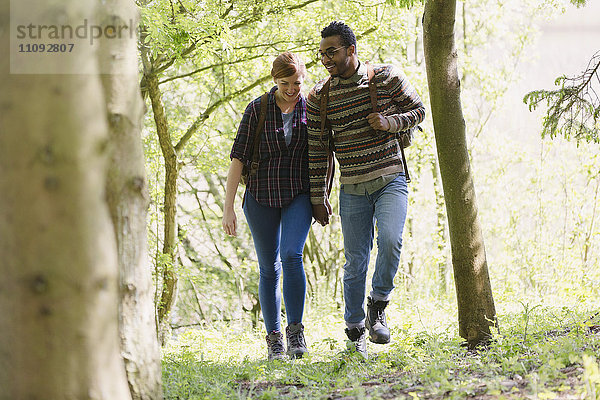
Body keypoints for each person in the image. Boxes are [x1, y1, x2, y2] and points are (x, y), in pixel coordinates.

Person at [307, 21, 426, 358]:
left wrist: (390, 122)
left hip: (391, 178)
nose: (326, 59)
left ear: (351, 50)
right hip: (352, 188)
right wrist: (319, 198)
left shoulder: (386, 77)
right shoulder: (320, 97)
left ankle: (378, 303)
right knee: (355, 261)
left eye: (332, 52)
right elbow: (318, 149)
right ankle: (356, 329)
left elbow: (419, 110)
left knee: (391, 240)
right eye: (322, 54)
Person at [222, 52, 311, 361]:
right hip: (260, 195)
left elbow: (324, 151)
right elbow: (238, 159)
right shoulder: (258, 109)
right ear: (275, 81)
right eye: (285, 83)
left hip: (298, 193)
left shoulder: (310, 106)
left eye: (297, 82)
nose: (291, 89)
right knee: (268, 268)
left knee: (291, 254)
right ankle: (274, 339)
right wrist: (228, 208)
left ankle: (295, 332)